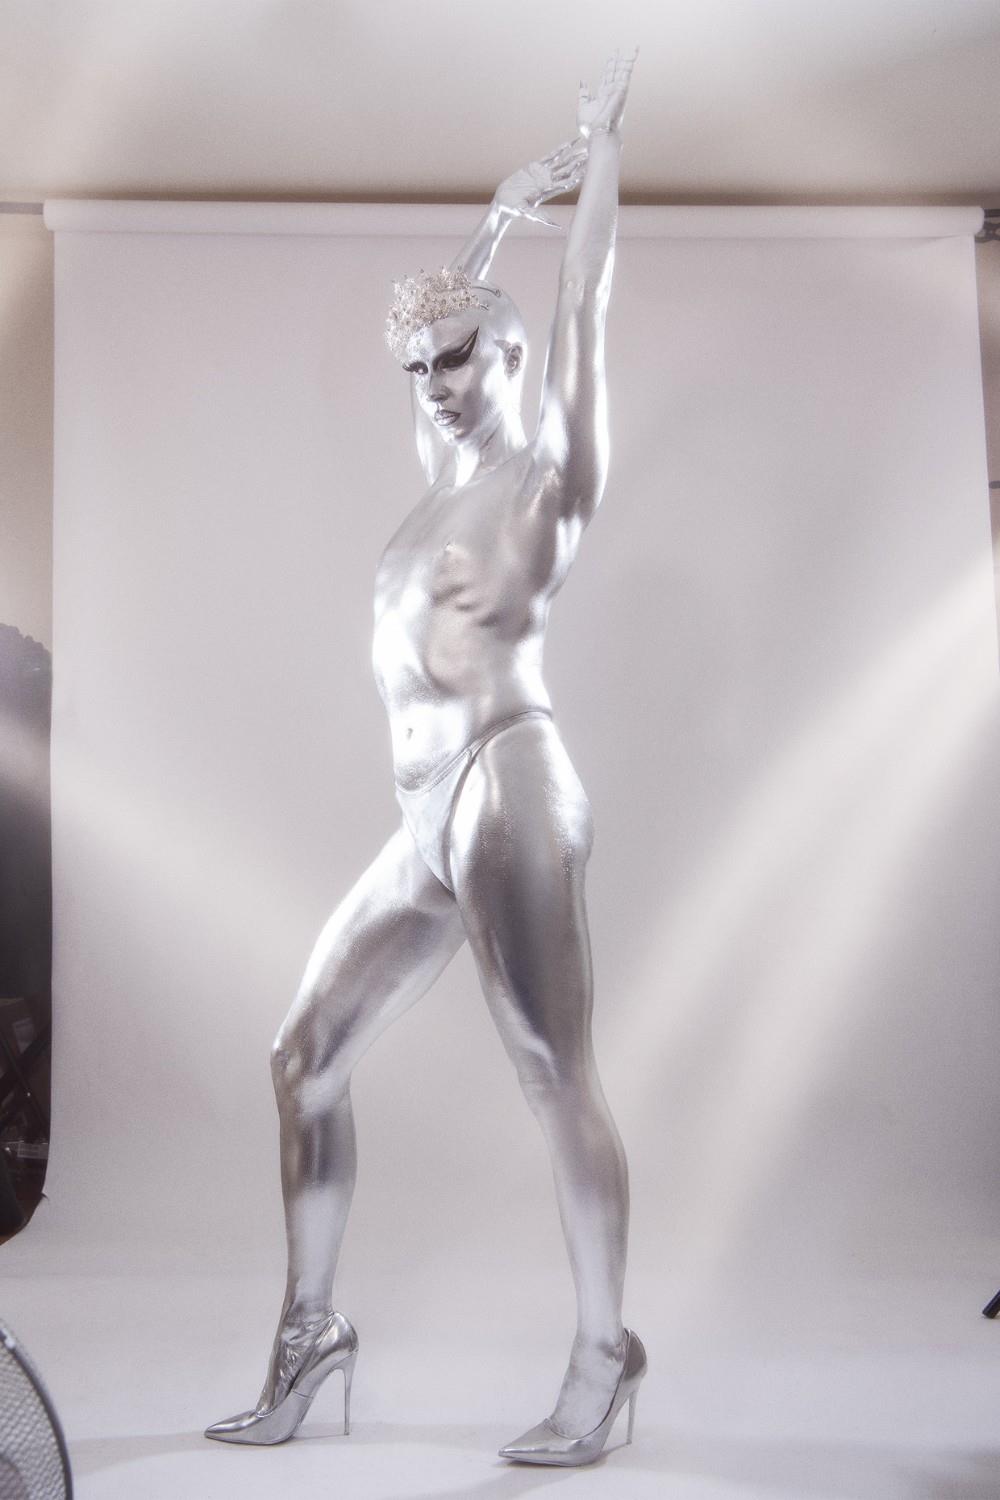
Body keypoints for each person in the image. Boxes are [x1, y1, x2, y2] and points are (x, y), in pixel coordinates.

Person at [206, 50, 645, 1468]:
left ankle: (605, 1354)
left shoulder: (547, 477)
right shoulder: (442, 478)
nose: (437, 384)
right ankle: (310, 1333)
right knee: (302, 1059)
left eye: (458, 359)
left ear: (509, 358)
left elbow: (581, 304)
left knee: (552, 1074)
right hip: (423, 818)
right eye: (418, 369)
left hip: (510, 783)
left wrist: (598, 149)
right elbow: (449, 318)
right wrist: (494, 218)